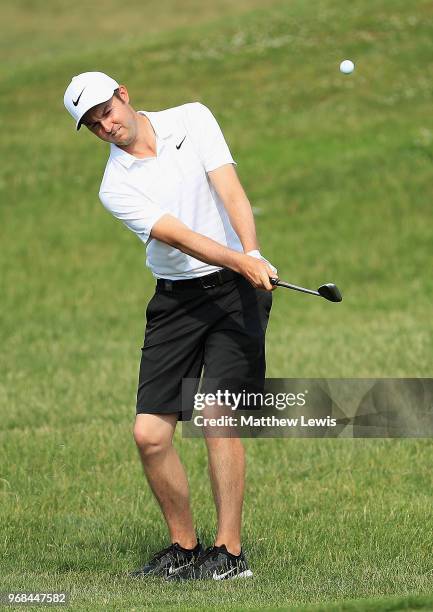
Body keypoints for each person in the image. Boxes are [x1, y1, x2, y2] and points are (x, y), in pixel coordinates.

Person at [64, 71, 277, 581]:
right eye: (93, 125)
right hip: (175, 303)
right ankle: (184, 546)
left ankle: (228, 554)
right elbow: (179, 237)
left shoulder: (192, 118)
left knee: (217, 414)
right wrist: (238, 258)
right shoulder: (115, 186)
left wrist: (251, 255)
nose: (106, 126)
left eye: (107, 111)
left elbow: (230, 189)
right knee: (149, 435)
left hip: (234, 294)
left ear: (124, 95)